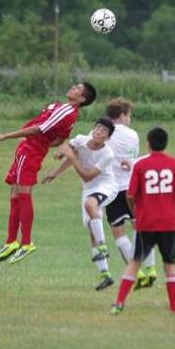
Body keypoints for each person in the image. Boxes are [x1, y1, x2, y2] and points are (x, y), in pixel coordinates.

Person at [0, 82, 96, 264]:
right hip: (27, 149)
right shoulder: (60, 107)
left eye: (78, 88)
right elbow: (61, 138)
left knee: (23, 194)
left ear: (82, 99)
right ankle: (11, 242)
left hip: (30, 151)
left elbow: (39, 129)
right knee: (15, 193)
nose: (72, 87)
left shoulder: (68, 112)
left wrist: (6, 136)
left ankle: (26, 243)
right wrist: (43, 144)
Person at [111, 127, 175, 315]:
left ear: (148, 143)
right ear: (166, 143)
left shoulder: (140, 165)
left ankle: (119, 304)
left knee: (135, 262)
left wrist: (136, 213)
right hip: (169, 222)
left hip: (146, 222)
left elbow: (130, 196)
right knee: (170, 264)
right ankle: (174, 308)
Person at [42, 117, 118, 291]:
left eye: (104, 131)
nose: (99, 132)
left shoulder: (107, 154)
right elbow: (69, 150)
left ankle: (104, 247)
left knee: (90, 205)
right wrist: (57, 168)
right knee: (92, 229)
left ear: (107, 138)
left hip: (106, 186)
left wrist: (70, 155)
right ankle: (106, 275)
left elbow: (87, 175)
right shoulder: (81, 140)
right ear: (93, 129)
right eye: (97, 128)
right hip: (89, 189)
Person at [102, 98, 157, 289]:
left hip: (112, 189)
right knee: (140, 228)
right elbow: (132, 158)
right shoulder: (133, 135)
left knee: (118, 233)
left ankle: (137, 274)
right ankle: (151, 269)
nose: (130, 119)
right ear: (122, 115)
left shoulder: (104, 133)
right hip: (132, 188)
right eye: (129, 115)